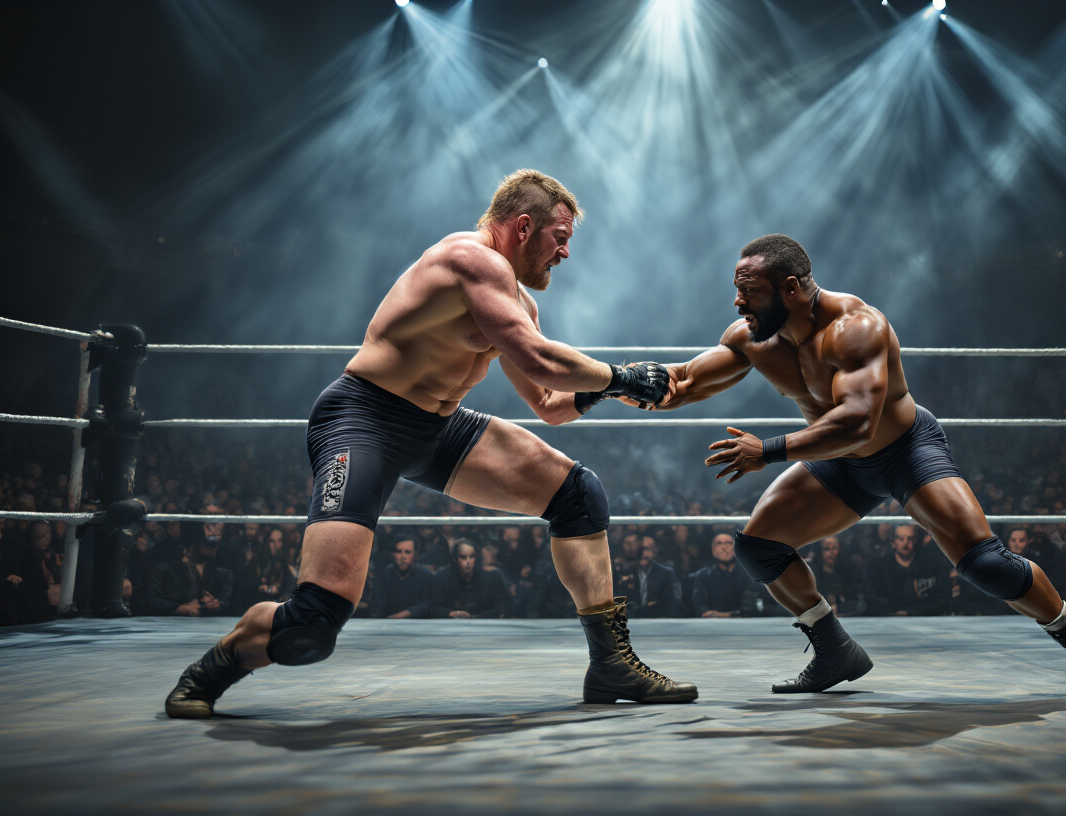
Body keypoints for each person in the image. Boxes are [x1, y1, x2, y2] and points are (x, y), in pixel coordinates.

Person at [165, 169, 696, 717]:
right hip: (364, 418)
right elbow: (541, 361)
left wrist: (610, 390)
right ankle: (215, 667)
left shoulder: (519, 303)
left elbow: (549, 403)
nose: (564, 253)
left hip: (437, 428)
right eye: (559, 237)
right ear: (522, 226)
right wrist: (620, 377)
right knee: (313, 623)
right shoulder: (469, 259)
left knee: (577, 495)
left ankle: (611, 665)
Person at [650, 233, 1066, 694]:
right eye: (737, 291)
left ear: (790, 288)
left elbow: (857, 421)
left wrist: (768, 451)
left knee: (987, 564)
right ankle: (834, 650)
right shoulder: (754, 337)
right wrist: (609, 385)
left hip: (905, 452)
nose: (738, 303)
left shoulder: (856, 328)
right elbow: (684, 383)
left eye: (749, 292)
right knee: (759, 548)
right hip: (840, 464)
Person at [691, 533, 756, 617]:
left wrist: (724, 616)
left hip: (744, 623)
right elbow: (699, 605)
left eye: (728, 543)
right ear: (713, 551)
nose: (724, 548)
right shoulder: (703, 576)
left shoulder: (749, 574)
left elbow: (750, 607)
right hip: (712, 625)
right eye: (719, 543)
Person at [374, 538, 434, 619]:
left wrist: (405, 614)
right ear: (391, 554)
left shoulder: (426, 576)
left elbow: (428, 604)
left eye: (407, 552)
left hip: (419, 624)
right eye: (399, 552)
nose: (403, 557)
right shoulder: (384, 575)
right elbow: (378, 605)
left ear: (415, 555)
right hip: (388, 624)